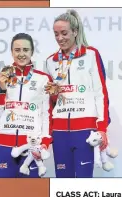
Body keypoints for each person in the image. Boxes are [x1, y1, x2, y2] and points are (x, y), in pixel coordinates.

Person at [44, 9, 110, 178]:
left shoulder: (90, 54)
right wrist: (52, 94)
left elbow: (100, 92)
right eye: (56, 34)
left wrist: (101, 127)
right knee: (62, 179)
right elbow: (49, 102)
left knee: (83, 180)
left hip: (86, 130)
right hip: (59, 131)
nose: (60, 38)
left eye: (64, 33)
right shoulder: (50, 61)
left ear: (75, 31)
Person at [0, 33, 53, 178]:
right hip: (5, 146)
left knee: (30, 196)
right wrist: (2, 90)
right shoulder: (1, 78)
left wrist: (44, 143)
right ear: (11, 52)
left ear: (32, 52)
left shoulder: (43, 79)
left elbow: (46, 115)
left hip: (32, 146)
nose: (21, 54)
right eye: (17, 50)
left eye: (26, 50)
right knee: (4, 196)